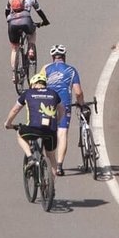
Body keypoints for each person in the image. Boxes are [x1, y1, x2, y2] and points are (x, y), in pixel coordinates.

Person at [42, 44, 85, 175]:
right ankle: (59, 166)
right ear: (64, 57)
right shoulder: (71, 70)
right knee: (62, 133)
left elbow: (36, 85)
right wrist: (81, 104)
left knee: (47, 133)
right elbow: (78, 92)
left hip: (47, 103)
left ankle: (50, 164)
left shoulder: (46, 69)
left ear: (52, 57)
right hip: (64, 103)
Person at [4, 69, 62, 163]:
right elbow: (62, 109)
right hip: (51, 131)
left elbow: (15, 110)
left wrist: (8, 123)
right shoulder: (53, 93)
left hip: (33, 128)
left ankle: (30, 157)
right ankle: (50, 177)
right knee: (51, 158)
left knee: (20, 134)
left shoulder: (28, 93)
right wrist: (58, 121)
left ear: (33, 84)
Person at [4, 0, 48, 73]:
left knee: (14, 48)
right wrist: (45, 21)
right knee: (32, 33)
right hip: (26, 20)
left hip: (12, 22)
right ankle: (31, 49)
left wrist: (9, 21)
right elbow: (39, 11)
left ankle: (14, 74)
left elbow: (6, 11)